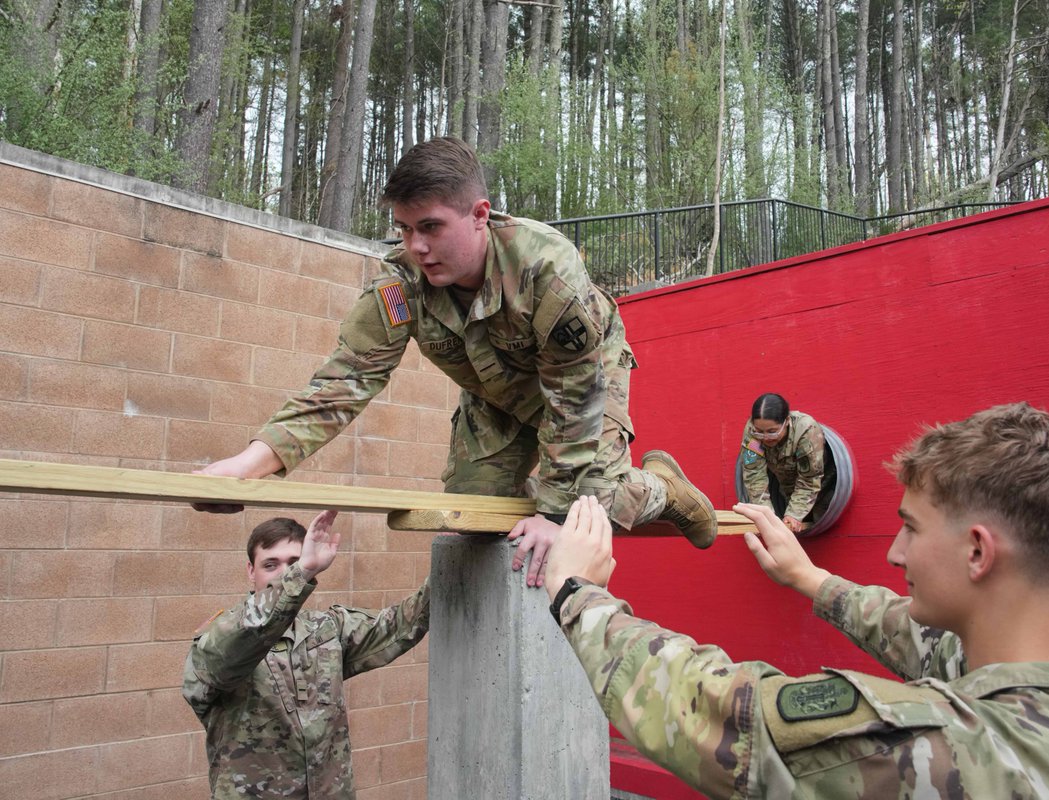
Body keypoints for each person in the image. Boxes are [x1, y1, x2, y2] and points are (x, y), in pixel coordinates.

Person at [545, 404, 1049, 798]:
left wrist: (579, 594)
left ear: (978, 551)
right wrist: (810, 580)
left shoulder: (947, 750)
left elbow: (729, 718)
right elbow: (939, 649)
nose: (894, 554)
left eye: (911, 528)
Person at [196, 136, 716, 587]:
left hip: (581, 383)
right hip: (496, 396)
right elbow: (346, 381)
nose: (416, 246)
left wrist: (556, 513)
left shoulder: (545, 269)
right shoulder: (400, 284)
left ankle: (664, 489)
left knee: (588, 504)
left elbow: (575, 395)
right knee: (475, 517)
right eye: (403, 229)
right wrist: (249, 468)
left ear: (480, 215)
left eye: (431, 227)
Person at [183, 511, 430, 799]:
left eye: (293, 563)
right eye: (271, 564)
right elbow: (238, 644)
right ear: (251, 571)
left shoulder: (325, 629)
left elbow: (403, 624)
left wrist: (451, 558)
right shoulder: (220, 639)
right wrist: (303, 571)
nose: (285, 572)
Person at [739, 392, 830, 533]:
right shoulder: (752, 432)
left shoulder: (805, 431)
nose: (765, 438)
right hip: (786, 484)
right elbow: (753, 475)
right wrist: (766, 516)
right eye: (760, 432)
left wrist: (794, 514)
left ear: (786, 421)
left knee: (821, 522)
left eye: (772, 431)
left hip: (822, 484)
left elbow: (809, 479)